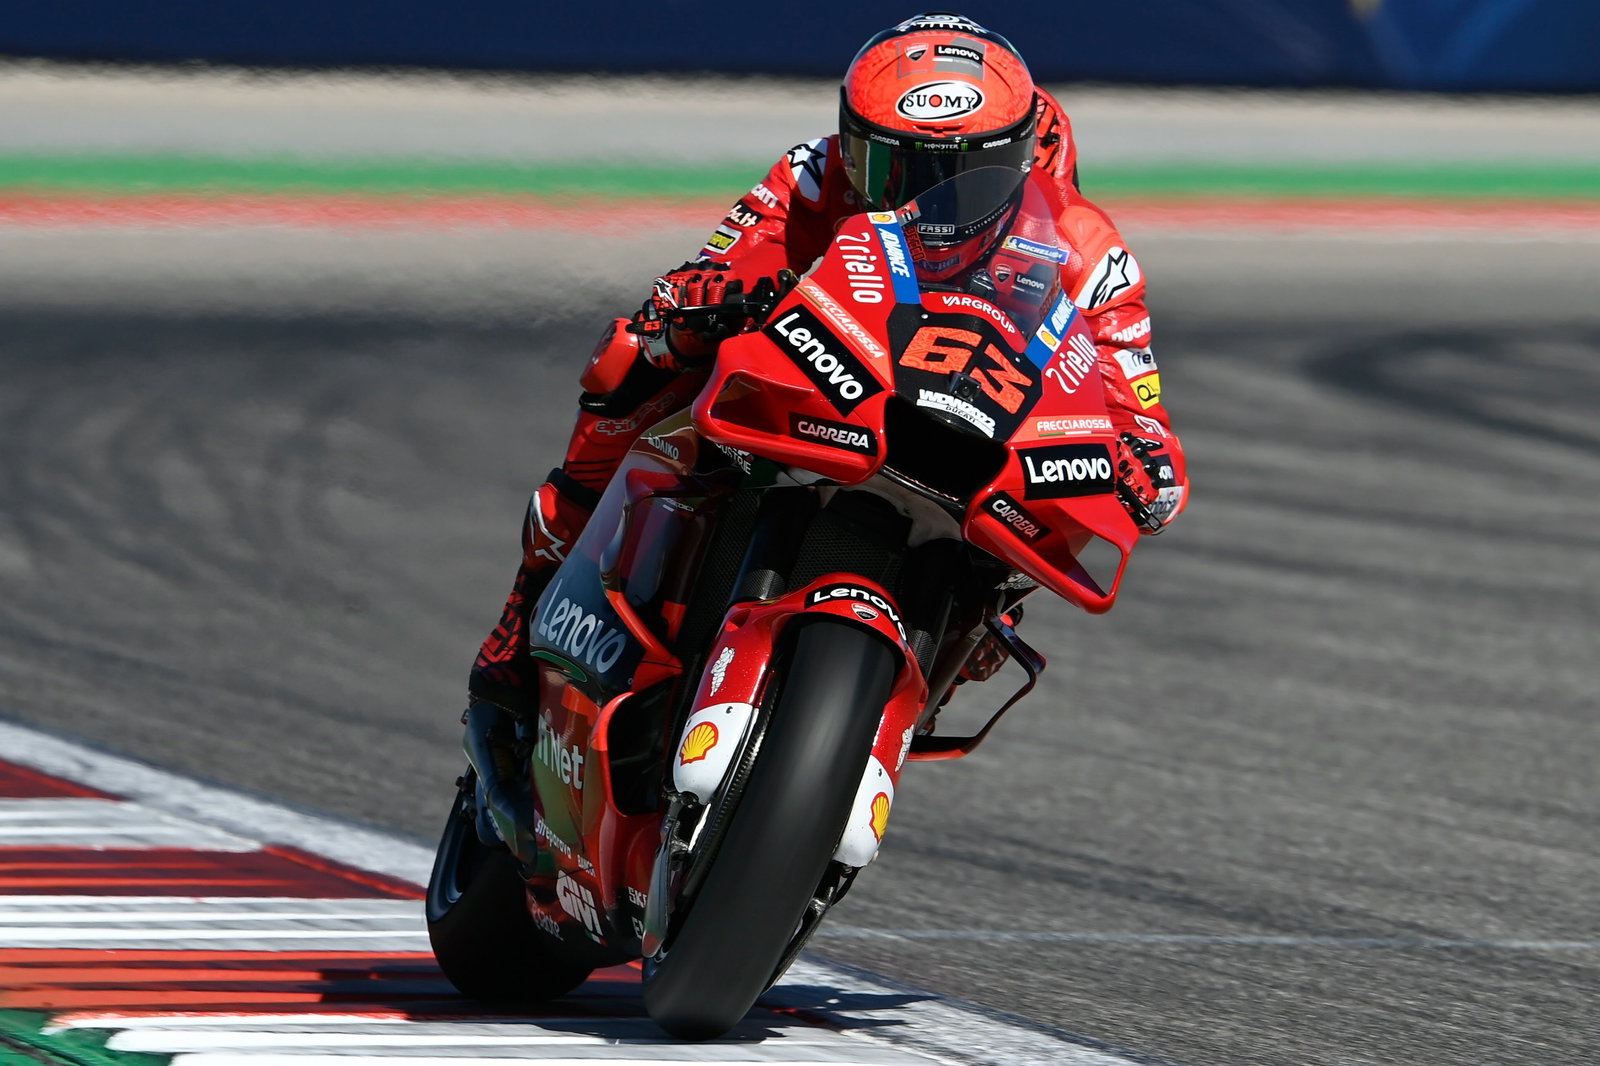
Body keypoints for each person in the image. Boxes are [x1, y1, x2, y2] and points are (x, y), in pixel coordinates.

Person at [469, 11, 1189, 714]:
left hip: (974, 433)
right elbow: (700, 278)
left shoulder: (1090, 251)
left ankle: (948, 640)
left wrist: (1142, 464)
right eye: (893, 166)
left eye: (963, 174)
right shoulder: (815, 177)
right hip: (831, 385)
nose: (923, 196)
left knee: (1040, 552)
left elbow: (1142, 417)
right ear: (852, 144)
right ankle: (526, 599)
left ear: (1019, 159)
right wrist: (702, 302)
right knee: (631, 357)